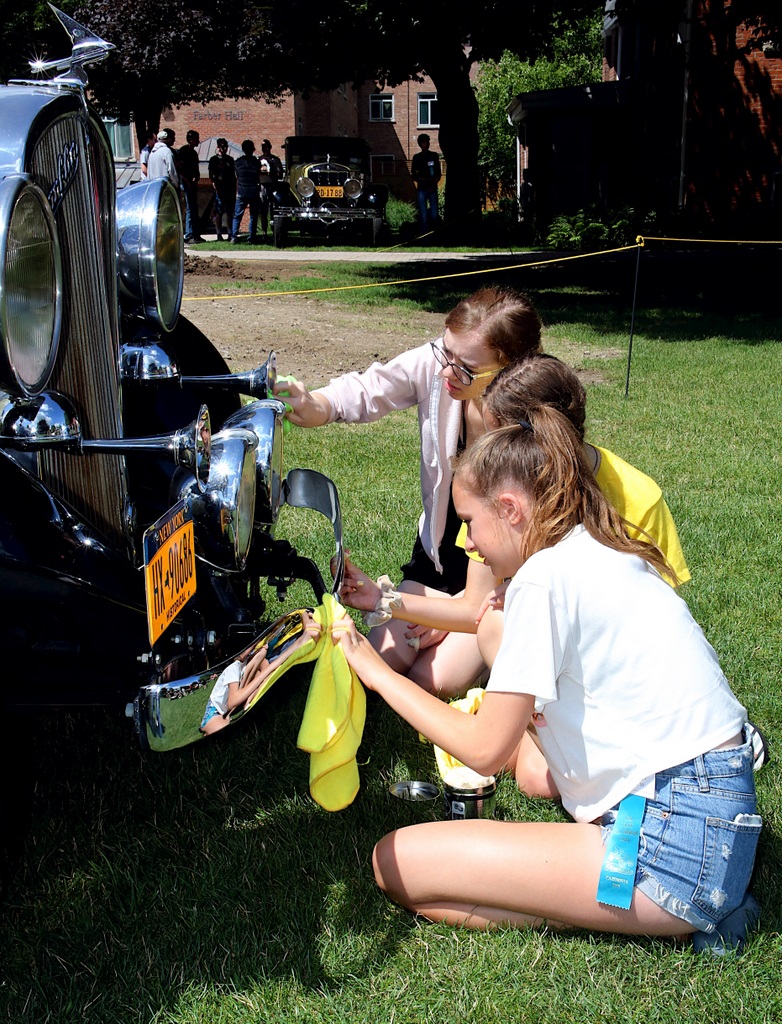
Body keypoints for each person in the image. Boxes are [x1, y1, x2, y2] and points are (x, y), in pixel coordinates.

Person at [333, 409, 762, 955]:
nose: (467, 542)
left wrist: (374, 672)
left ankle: (670, 918)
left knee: (395, 864)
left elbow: (485, 751)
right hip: (715, 815)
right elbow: (486, 623)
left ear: (510, 509)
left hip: (675, 845)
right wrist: (388, 600)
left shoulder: (541, 579)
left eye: (470, 521)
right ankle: (660, 907)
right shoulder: (595, 545)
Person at [338, 353, 690, 696]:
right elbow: (475, 602)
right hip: (525, 611)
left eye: (497, 439)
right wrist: (383, 599)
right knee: (426, 673)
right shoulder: (499, 493)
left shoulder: (638, 498)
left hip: (604, 649)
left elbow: (657, 620)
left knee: (462, 657)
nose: (487, 452)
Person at [275, 285, 543, 607]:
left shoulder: (529, 424)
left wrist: (444, 614)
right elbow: (372, 387)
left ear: (511, 370)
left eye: (468, 369)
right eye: (446, 352)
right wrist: (317, 404)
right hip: (439, 548)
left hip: (500, 564)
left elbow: (474, 607)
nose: (446, 371)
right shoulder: (443, 366)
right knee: (389, 646)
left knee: (444, 651)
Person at [231, 139, 261, 243]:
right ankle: (252, 237)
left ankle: (234, 236)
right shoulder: (256, 163)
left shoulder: (238, 163)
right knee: (253, 215)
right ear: (253, 149)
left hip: (241, 192)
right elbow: (258, 176)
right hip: (253, 191)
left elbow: (237, 176)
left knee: (237, 215)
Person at [411, 134, 441, 233]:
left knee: (434, 214)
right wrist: (421, 179)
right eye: (423, 142)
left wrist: (433, 183)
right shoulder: (417, 158)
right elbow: (413, 174)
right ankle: (424, 233)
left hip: (432, 188)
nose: (426, 144)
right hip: (422, 189)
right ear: (420, 144)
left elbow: (438, 173)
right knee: (423, 214)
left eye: (427, 142)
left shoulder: (434, 155)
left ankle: (434, 232)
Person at [208, 138, 237, 241]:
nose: (223, 148)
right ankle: (219, 234)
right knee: (219, 212)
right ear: (218, 147)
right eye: (221, 146)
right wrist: (214, 184)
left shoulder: (230, 160)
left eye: (225, 146)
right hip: (219, 190)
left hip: (229, 189)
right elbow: (211, 174)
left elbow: (234, 175)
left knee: (230, 212)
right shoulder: (213, 160)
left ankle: (230, 233)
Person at [178, 129, 204, 243]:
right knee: (190, 208)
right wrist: (187, 181)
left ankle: (196, 233)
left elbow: (196, 168)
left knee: (194, 209)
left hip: (192, 183)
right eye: (196, 139)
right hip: (186, 184)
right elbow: (179, 168)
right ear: (191, 139)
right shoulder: (183, 151)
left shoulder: (193, 153)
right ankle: (189, 234)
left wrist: (196, 177)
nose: (198, 141)